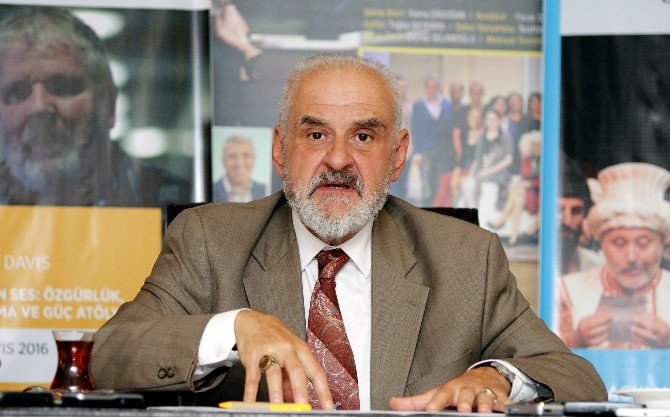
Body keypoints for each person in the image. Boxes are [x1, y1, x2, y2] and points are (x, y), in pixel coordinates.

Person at [91, 53, 606, 411]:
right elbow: (109, 355)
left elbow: (577, 377)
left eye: (363, 136)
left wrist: (496, 378)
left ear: (397, 155)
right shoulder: (211, 241)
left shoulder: (467, 258)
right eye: (316, 134)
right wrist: (235, 327)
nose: (338, 159)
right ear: (280, 150)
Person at [0, 6, 188, 206]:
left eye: (63, 87)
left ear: (108, 104)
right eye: (15, 93)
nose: (38, 107)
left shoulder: (180, 203)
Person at [559, 162, 670, 349]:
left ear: (663, 243)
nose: (632, 257)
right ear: (601, 244)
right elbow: (542, 358)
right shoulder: (566, 291)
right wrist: (576, 340)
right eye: (619, 243)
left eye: (643, 243)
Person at [408, 75, 453, 206]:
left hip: (444, 154)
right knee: (427, 188)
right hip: (425, 153)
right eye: (430, 86)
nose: (432, 89)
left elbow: (451, 130)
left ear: (439, 88)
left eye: (435, 86)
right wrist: (417, 153)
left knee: (441, 187)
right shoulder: (418, 105)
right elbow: (415, 130)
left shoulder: (447, 104)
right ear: (425, 88)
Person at [213, 135, 266, 203]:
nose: (239, 163)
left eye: (246, 155)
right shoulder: (211, 190)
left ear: (253, 159)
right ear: (223, 161)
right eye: (233, 156)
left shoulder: (265, 190)